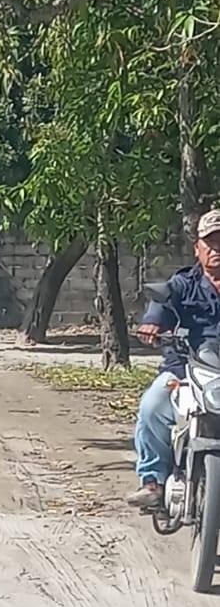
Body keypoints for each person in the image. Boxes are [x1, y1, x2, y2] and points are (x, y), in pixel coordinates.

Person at [127, 210, 220, 508]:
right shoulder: (183, 284)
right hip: (185, 372)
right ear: (198, 248)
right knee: (152, 406)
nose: (217, 249)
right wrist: (152, 324)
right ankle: (153, 482)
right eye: (211, 242)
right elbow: (161, 303)